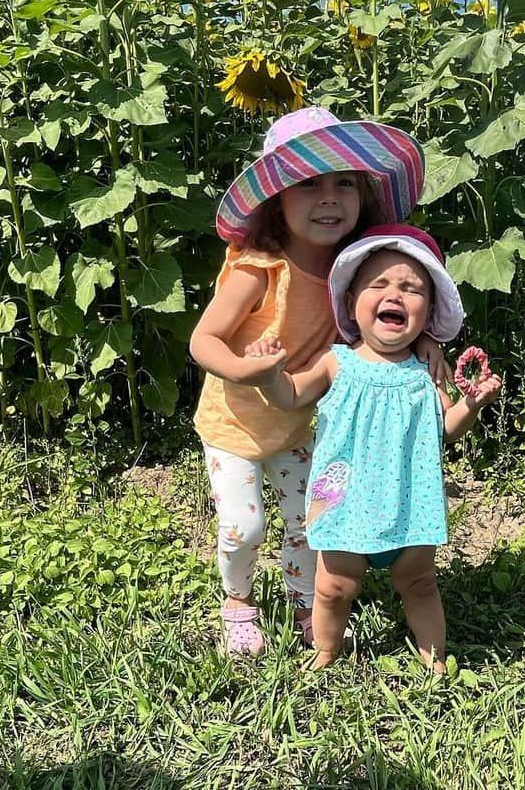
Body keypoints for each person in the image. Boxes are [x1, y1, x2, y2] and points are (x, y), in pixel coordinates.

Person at [189, 107, 446, 656]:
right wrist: (245, 369)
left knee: (312, 521)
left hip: (304, 422)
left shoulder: (353, 267)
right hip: (235, 421)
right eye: (308, 184)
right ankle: (237, 601)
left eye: (344, 184)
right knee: (243, 525)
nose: (329, 198)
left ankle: (307, 600)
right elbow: (203, 340)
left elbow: (381, 321)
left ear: (363, 196)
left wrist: (423, 341)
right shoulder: (259, 267)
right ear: (276, 199)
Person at [243, 224, 502, 673]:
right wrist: (268, 374)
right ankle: (326, 649)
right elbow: (290, 395)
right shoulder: (336, 362)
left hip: (410, 502)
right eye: (378, 284)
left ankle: (436, 660)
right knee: (333, 588)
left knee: (420, 583)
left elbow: (449, 427)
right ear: (350, 302)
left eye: (411, 289)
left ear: (427, 313)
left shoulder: (426, 369)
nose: (394, 295)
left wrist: (472, 403)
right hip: (343, 502)